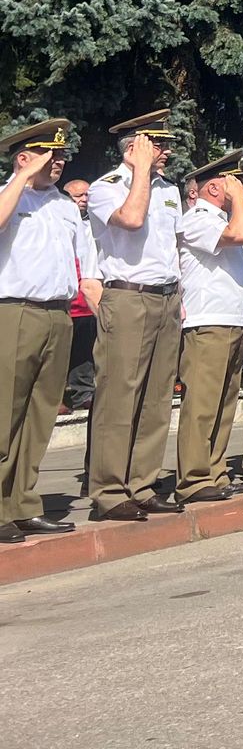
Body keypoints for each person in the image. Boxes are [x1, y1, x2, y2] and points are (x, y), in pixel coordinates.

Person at [84, 110, 185, 522]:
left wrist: (180, 293)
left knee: (157, 397)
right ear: (133, 148)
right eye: (158, 144)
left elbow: (174, 247)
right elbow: (131, 219)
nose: (167, 151)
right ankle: (109, 491)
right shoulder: (106, 187)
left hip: (166, 297)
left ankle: (142, 484)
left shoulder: (169, 189)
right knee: (119, 394)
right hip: (127, 296)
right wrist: (140, 170)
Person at [0, 119, 93, 539]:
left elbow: (84, 265)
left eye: (61, 155)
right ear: (24, 157)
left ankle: (22, 504)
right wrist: (21, 178)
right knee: (6, 413)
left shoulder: (63, 206)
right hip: (16, 311)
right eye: (48, 155)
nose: (58, 161)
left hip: (59, 314)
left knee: (39, 416)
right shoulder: (9, 195)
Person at [174, 152, 243, 503]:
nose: (241, 188)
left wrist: (237, 201)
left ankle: (215, 472)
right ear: (213, 188)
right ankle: (193, 479)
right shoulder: (197, 219)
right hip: (207, 321)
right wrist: (240, 200)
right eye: (232, 182)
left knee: (224, 404)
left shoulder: (221, 217)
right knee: (202, 405)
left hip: (232, 318)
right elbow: (240, 234)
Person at [62, 176, 98, 412]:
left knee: (85, 351)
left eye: (87, 195)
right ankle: (59, 396)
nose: (84, 199)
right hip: (66, 298)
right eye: (78, 196)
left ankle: (83, 392)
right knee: (60, 352)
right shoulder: (60, 220)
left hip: (87, 300)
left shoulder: (94, 224)